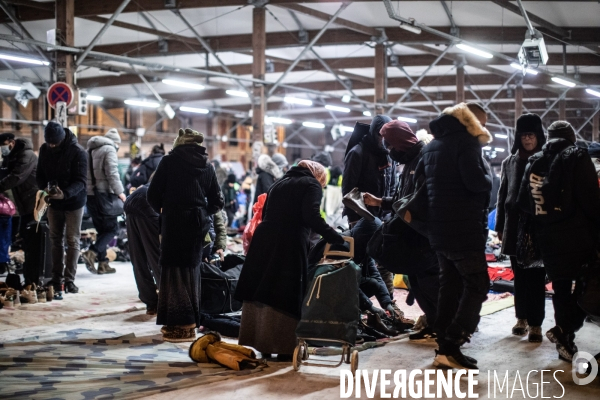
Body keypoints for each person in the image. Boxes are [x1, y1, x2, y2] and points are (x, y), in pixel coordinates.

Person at [235, 160, 344, 360]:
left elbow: (265, 212)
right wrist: (335, 237)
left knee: (262, 289)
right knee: (285, 292)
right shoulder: (311, 185)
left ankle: (263, 345)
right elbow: (312, 216)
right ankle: (285, 348)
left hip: (264, 241)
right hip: (288, 244)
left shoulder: (279, 183)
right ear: (318, 175)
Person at [414, 102, 493, 369]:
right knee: (478, 283)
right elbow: (475, 182)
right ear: (471, 121)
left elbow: (422, 188)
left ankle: (444, 350)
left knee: (449, 287)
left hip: (439, 230)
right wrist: (489, 179)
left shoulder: (433, 146)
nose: (484, 127)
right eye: (482, 122)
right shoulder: (466, 143)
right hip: (463, 229)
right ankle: (454, 338)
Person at [518, 121, 600, 362]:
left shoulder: (535, 160)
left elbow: (523, 201)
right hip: (578, 236)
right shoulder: (577, 156)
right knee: (587, 285)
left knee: (560, 287)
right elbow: (590, 199)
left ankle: (564, 337)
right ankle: (564, 331)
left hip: (547, 237)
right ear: (571, 137)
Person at [363, 120, 440, 341]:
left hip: (424, 233)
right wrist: (381, 202)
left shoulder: (424, 159)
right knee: (415, 280)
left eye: (392, 146)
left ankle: (444, 326)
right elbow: (402, 198)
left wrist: (402, 212)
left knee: (428, 281)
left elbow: (423, 199)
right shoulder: (409, 162)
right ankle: (433, 321)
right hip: (411, 231)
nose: (390, 151)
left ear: (402, 142)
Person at [147, 128, 224, 342]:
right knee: (192, 271)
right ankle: (190, 324)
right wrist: (201, 212)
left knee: (173, 271)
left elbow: (152, 195)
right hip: (196, 225)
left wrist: (164, 210)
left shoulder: (168, 162)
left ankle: (175, 324)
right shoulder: (207, 166)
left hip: (173, 222)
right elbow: (218, 202)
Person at [496, 114, 547, 343]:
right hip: (514, 226)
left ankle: (536, 324)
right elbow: (501, 197)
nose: (528, 139)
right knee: (519, 277)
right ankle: (522, 319)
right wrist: (499, 226)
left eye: (531, 135)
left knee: (536, 277)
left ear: (538, 136)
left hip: (537, 229)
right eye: (524, 135)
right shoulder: (509, 162)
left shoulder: (546, 160)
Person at [343, 115, 398, 299]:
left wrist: (388, 213)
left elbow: (392, 186)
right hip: (360, 218)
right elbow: (348, 189)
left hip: (384, 217)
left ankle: (388, 301)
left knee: (385, 261)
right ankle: (357, 302)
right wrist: (354, 218)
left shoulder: (389, 156)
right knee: (362, 262)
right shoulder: (357, 153)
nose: (386, 141)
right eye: (382, 136)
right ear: (375, 133)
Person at [37, 122, 88, 294]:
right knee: (55, 239)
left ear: (62, 138)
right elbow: (40, 174)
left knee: (72, 240)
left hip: (74, 202)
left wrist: (65, 193)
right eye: (49, 143)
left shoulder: (78, 152)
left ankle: (70, 280)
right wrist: (44, 189)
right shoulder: (44, 150)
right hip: (54, 202)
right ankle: (56, 278)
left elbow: (81, 181)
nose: (51, 146)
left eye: (54, 143)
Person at [81, 129, 126, 275]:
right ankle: (91, 252)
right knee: (112, 229)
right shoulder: (109, 149)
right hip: (105, 196)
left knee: (102, 230)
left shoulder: (89, 151)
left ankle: (103, 263)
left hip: (90, 196)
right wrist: (121, 193)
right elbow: (112, 174)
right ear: (115, 142)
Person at [0, 133, 37, 278]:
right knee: (22, 235)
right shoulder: (12, 156)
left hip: (31, 200)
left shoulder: (26, 155)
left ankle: (30, 267)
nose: (3, 148)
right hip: (20, 202)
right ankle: (25, 266)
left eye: (3, 144)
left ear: (11, 142)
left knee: (28, 234)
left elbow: (16, 177)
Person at [124, 179, 160, 315]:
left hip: (132, 201)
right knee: (156, 256)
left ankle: (151, 303)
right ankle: (168, 302)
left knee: (138, 256)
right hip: (147, 204)